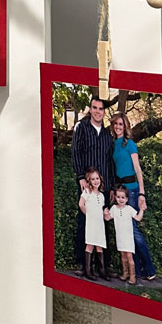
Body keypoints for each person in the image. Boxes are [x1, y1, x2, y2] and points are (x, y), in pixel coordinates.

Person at [109, 111, 156, 280]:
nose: (118, 127)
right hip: (120, 189)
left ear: (125, 126)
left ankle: (150, 269)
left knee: (134, 231)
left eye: (121, 124)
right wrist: (115, 191)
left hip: (133, 190)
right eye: (115, 124)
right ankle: (134, 272)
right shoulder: (114, 144)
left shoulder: (130, 144)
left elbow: (137, 169)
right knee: (126, 232)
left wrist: (142, 193)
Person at [71, 96, 114, 273]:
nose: (97, 111)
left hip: (103, 188)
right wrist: (81, 177)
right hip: (87, 185)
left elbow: (110, 162)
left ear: (104, 112)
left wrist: (110, 187)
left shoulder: (107, 135)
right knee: (85, 221)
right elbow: (75, 152)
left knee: (103, 223)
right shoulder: (81, 128)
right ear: (90, 109)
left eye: (101, 109)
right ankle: (83, 263)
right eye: (94, 108)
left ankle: (103, 266)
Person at [108, 183, 145, 285]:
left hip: (128, 238)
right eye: (118, 197)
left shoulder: (129, 209)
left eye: (123, 197)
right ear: (115, 197)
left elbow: (138, 218)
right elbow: (107, 218)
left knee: (129, 256)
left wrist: (141, 210)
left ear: (127, 199)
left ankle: (133, 277)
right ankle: (125, 274)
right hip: (119, 237)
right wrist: (105, 211)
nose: (120, 199)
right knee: (123, 255)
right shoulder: (114, 209)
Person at [79, 168, 107, 280]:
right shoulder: (87, 192)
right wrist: (88, 215)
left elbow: (101, 209)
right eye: (93, 179)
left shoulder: (101, 195)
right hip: (91, 223)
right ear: (89, 181)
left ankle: (102, 270)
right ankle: (88, 271)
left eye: (97, 178)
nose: (95, 181)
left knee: (99, 245)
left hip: (100, 224)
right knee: (90, 245)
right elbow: (81, 204)